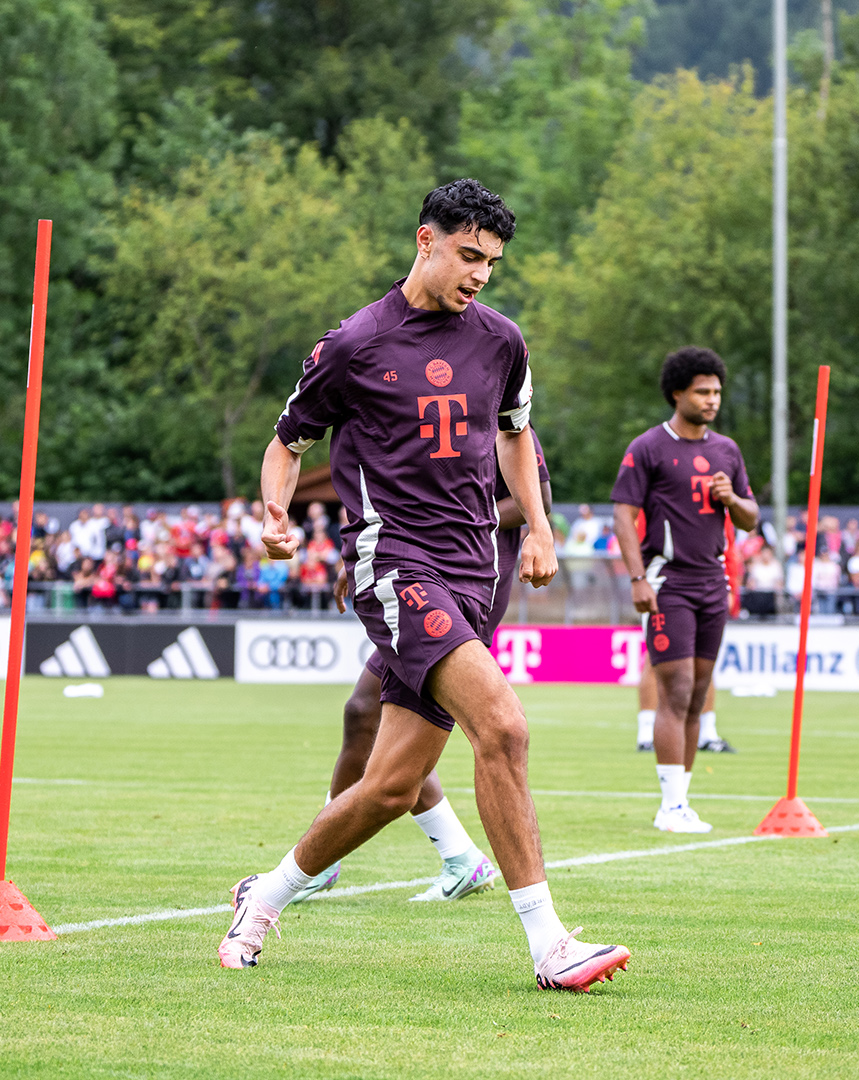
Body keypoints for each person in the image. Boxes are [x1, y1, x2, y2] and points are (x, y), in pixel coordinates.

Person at [222, 180, 629, 990]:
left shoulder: (503, 341)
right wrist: (274, 513)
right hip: (395, 563)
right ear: (425, 240)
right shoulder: (353, 345)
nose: (481, 273)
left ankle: (262, 898)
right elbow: (287, 442)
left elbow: (518, 437)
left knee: (389, 787)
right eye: (469, 255)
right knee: (504, 728)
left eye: (493, 262)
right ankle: (550, 943)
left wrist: (541, 528)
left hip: (476, 569)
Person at [299, 431, 552, 906]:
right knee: (369, 716)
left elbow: (536, 502)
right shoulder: (428, 404)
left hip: (473, 583)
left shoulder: (502, 416)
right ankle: (459, 858)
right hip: (424, 577)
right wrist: (360, 558)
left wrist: (457, 521)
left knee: (377, 718)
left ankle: (319, 862)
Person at [611, 347, 759, 834]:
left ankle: (682, 801)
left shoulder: (727, 451)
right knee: (673, 692)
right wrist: (636, 578)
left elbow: (752, 518)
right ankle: (669, 806)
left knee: (696, 695)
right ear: (678, 392)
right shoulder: (649, 447)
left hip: (714, 583)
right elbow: (623, 515)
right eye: (702, 391)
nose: (712, 399)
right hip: (667, 582)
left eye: (716, 391)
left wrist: (730, 497)